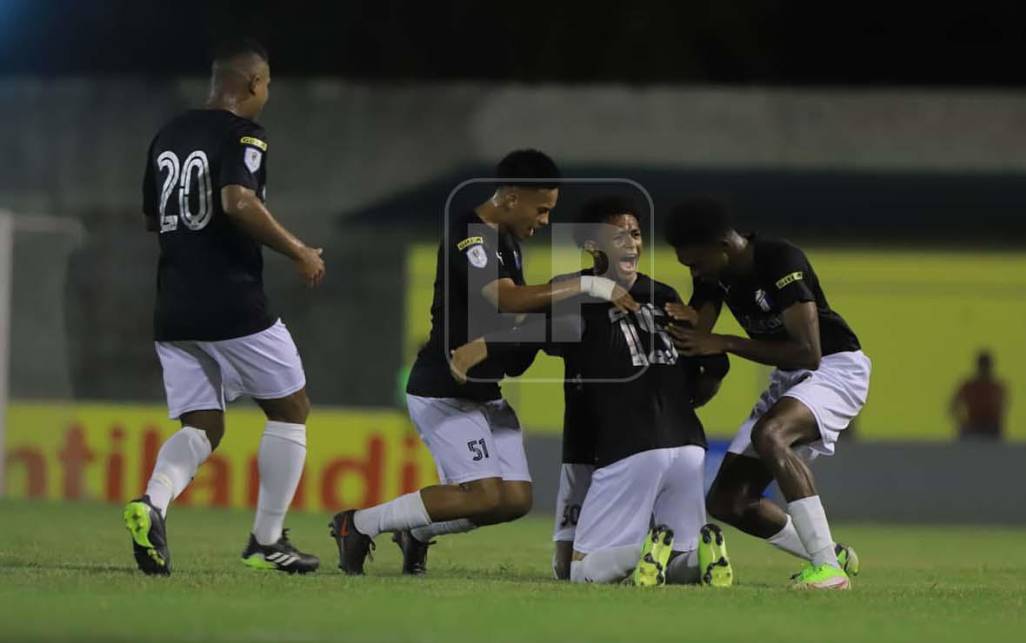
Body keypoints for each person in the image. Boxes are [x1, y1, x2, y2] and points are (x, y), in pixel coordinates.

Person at [330, 151, 637, 575]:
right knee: (483, 494)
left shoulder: (507, 240)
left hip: (482, 391)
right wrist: (588, 283)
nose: (546, 220)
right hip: (443, 388)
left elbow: (519, 316)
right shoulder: (472, 235)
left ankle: (415, 533)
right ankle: (358, 524)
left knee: (514, 500)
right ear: (511, 197)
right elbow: (505, 298)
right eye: (542, 209)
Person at [451, 195, 733, 585]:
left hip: (623, 443)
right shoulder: (665, 296)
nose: (632, 244)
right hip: (689, 444)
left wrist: (475, 350)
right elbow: (709, 369)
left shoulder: (573, 293)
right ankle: (701, 561)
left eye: (634, 234)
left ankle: (645, 549)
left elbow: (524, 338)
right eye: (619, 236)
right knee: (680, 557)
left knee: (578, 571)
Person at [124, 38, 326, 576]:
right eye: (267, 88)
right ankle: (267, 540)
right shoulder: (244, 134)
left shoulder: (169, 133)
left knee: (203, 425)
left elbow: (153, 218)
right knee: (292, 408)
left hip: (173, 304)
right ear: (254, 85)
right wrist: (300, 250)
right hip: (231, 299)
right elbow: (238, 200)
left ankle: (152, 504)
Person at [663, 198, 869, 591]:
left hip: (835, 366)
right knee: (729, 502)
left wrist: (723, 341)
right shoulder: (714, 273)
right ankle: (830, 552)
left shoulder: (780, 261)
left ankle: (829, 571)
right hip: (791, 376)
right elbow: (699, 328)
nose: (693, 271)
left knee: (770, 434)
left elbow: (808, 351)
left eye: (695, 263)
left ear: (723, 245)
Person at [950, 350, 1006, 440]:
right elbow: (954, 405)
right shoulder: (969, 387)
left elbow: (1002, 408)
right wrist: (962, 423)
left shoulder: (996, 387)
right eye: (983, 366)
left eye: (986, 366)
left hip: (991, 428)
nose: (984, 369)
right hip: (973, 427)